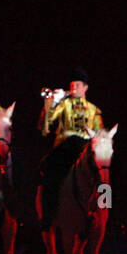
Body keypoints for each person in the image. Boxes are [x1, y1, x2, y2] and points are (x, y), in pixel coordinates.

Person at [36, 67, 103, 230]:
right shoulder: (63, 104)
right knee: (48, 170)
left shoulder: (94, 110)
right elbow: (43, 127)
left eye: (78, 85)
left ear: (86, 88)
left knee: (103, 172)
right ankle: (48, 215)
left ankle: (102, 211)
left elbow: (99, 133)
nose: (74, 88)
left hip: (85, 148)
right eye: (72, 85)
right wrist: (50, 103)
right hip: (65, 148)